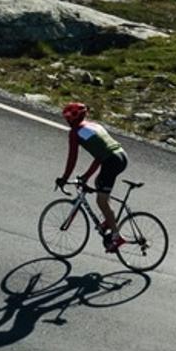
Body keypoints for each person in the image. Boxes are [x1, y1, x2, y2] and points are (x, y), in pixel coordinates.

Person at [58, 102, 130, 245]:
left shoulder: (75, 133)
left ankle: (116, 237)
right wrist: (86, 176)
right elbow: (100, 155)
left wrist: (64, 178)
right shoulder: (95, 126)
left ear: (72, 118)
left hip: (111, 161)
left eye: (67, 118)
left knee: (101, 200)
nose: (67, 121)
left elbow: (72, 158)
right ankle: (109, 221)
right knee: (99, 184)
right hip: (121, 156)